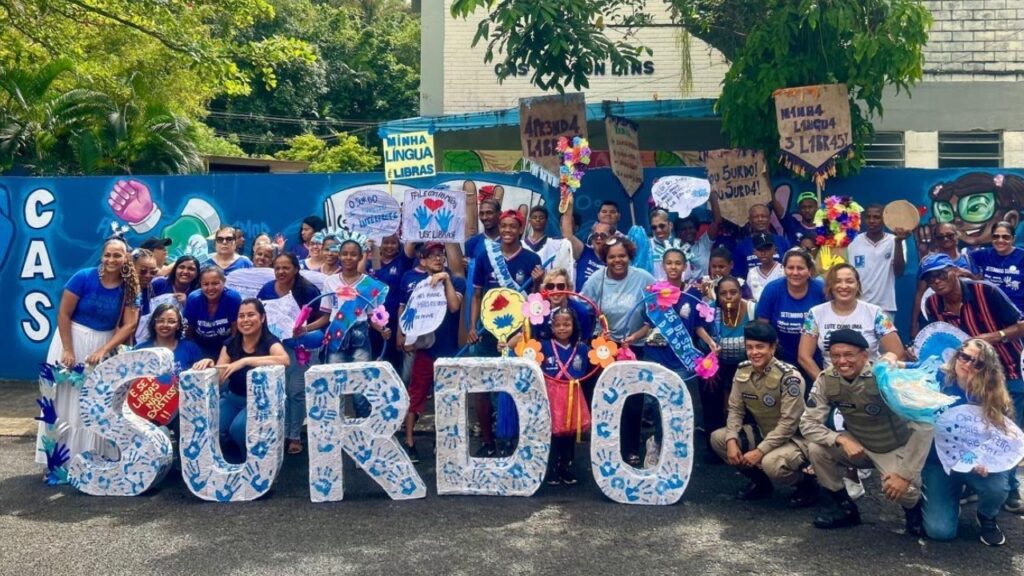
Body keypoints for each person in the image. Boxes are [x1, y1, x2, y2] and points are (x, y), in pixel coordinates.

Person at [919, 252, 1024, 512]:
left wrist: (994, 336)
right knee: (972, 428)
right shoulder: (933, 305)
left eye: (942, 273)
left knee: (1007, 429)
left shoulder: (985, 291)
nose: (937, 280)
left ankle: (1009, 489)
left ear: (955, 270)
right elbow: (939, 339)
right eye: (930, 278)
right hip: (966, 379)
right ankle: (969, 477)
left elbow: (1021, 324)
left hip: (1007, 371)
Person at [800, 329, 930, 534]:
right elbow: (807, 423)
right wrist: (840, 439)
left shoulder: (885, 377)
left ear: (865, 354)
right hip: (858, 444)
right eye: (835, 355)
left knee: (901, 490)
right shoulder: (827, 380)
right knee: (817, 449)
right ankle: (844, 509)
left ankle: (914, 512)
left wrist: (905, 476)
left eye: (849, 354)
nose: (842, 361)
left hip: (892, 446)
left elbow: (924, 425)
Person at [888, 339, 1015, 546]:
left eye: (978, 363)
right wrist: (889, 358)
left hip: (975, 461)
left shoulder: (994, 394)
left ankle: (987, 516)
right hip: (939, 461)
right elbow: (904, 367)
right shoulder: (937, 375)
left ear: (987, 368)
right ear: (957, 355)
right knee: (940, 532)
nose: (968, 365)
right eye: (965, 357)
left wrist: (988, 462)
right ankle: (951, 497)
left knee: (997, 488)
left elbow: (1002, 437)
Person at [38, 236, 141, 464]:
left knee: (91, 402)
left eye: (117, 255)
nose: (111, 259)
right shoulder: (83, 277)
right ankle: (57, 462)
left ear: (126, 257)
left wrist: (104, 349)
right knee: (64, 401)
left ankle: (90, 458)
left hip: (102, 344)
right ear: (102, 256)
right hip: (72, 338)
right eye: (108, 254)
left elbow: (130, 324)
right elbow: (63, 314)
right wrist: (68, 350)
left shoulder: (130, 287)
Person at [710, 323, 818, 506]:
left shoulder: (790, 377)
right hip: (763, 431)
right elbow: (735, 409)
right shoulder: (743, 370)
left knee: (770, 463)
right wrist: (731, 441)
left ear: (773, 347)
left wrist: (759, 452)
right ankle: (761, 484)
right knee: (718, 438)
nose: (754, 353)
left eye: (760, 347)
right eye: (749, 347)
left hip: (795, 439)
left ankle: (808, 485)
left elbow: (788, 425)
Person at [468, 210, 542, 456]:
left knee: (514, 385)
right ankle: (488, 441)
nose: (507, 230)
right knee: (482, 385)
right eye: (504, 226)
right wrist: (471, 327)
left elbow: (534, 301)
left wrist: (538, 283)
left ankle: (513, 439)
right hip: (486, 332)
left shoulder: (532, 259)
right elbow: (476, 296)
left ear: (521, 230)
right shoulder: (485, 257)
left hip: (517, 333)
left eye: (512, 226)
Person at [581, 236, 656, 466]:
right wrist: (596, 333)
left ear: (630, 256)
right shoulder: (596, 279)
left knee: (633, 400)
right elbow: (584, 311)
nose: (617, 260)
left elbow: (656, 312)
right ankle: (604, 448)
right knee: (605, 398)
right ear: (605, 258)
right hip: (603, 348)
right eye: (612, 257)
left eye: (622, 256)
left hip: (633, 346)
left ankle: (631, 449)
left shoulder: (644, 278)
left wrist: (636, 336)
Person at [193, 299, 289, 461]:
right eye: (241, 316)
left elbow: (284, 360)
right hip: (232, 398)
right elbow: (221, 376)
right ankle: (230, 465)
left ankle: (252, 468)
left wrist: (245, 361)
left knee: (238, 430)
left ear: (262, 318)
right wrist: (210, 364)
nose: (245, 320)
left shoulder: (269, 341)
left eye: (251, 315)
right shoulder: (231, 343)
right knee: (211, 425)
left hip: (259, 402)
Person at [395, 243, 465, 462]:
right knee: (416, 392)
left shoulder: (457, 280)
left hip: (448, 348)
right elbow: (406, 309)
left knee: (445, 396)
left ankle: (441, 440)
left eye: (440, 255)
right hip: (424, 347)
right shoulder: (414, 281)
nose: (437, 258)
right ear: (422, 261)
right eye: (431, 256)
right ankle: (409, 441)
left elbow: (454, 306)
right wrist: (401, 333)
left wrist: (446, 279)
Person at [257, 253, 323, 455]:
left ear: (296, 269)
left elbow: (324, 319)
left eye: (286, 268)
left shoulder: (308, 290)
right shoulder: (267, 289)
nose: (281, 272)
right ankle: (278, 432)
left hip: (300, 347)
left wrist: (305, 328)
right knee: (278, 391)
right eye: (277, 268)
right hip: (274, 346)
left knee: (295, 391)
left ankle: (294, 435)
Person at [320, 233, 391, 418]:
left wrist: (382, 329)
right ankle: (334, 433)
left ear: (360, 257)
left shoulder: (368, 284)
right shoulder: (330, 282)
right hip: (336, 335)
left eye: (353, 254)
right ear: (339, 255)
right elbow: (325, 315)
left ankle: (363, 433)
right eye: (344, 254)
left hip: (360, 335)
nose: (348, 258)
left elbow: (371, 316)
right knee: (335, 385)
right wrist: (304, 329)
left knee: (362, 387)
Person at [798, 264, 905, 382]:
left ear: (857, 285)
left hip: (870, 384)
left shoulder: (875, 313)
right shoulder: (815, 313)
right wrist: (823, 383)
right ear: (830, 286)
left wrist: (879, 381)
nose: (844, 286)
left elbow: (898, 353)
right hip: (833, 384)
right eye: (837, 281)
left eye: (849, 281)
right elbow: (804, 356)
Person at [539, 306, 592, 485]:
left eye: (566, 324)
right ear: (551, 327)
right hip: (552, 394)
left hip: (572, 394)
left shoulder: (582, 348)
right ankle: (551, 467)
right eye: (558, 325)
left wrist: (605, 345)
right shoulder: (543, 347)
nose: (562, 328)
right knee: (552, 432)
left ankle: (566, 466)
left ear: (573, 325)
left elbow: (593, 362)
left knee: (569, 432)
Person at [705, 276, 757, 458]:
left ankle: (750, 444)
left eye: (733, 292)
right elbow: (700, 334)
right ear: (717, 297)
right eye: (723, 293)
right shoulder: (711, 312)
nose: (729, 297)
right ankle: (715, 444)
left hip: (748, 366)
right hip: (719, 367)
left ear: (741, 293)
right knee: (709, 390)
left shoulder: (752, 310)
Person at [755, 249, 826, 372]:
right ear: (783, 269)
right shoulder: (772, 290)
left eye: (800, 268)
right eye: (790, 268)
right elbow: (762, 327)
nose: (795, 272)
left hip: (814, 357)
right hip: (780, 358)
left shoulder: (820, 289)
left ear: (809, 271)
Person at [910, 222, 973, 338]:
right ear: (936, 239)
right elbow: (920, 293)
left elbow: (979, 283)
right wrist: (914, 324)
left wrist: (966, 273)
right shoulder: (927, 261)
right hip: (937, 314)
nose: (945, 239)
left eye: (949, 235)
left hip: (969, 313)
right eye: (940, 236)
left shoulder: (968, 257)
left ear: (957, 235)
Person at [846, 204, 909, 315]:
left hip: (884, 308)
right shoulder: (853, 242)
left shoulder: (895, 241)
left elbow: (899, 272)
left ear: (884, 219)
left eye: (876, 217)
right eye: (868, 217)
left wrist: (898, 242)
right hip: (857, 306)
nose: (872, 220)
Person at [184, 266, 242, 360]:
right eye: (206, 284)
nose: (210, 288)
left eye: (215, 283)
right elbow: (188, 331)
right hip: (200, 346)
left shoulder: (233, 299)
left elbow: (235, 331)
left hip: (226, 346)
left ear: (224, 282)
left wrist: (230, 355)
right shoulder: (194, 299)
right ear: (201, 284)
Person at [967, 221, 1024, 312]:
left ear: (1013, 239)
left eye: (1005, 237)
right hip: (990, 311)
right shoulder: (983, 254)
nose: (1000, 240)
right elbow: (965, 258)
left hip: (1017, 311)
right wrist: (968, 273)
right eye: (996, 236)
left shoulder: (1022, 256)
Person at [562, 196, 613, 291]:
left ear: (610, 238)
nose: (598, 238)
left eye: (602, 236)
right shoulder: (584, 251)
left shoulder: (615, 258)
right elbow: (567, 235)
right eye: (595, 235)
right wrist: (568, 206)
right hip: (581, 303)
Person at [136, 303, 202, 370]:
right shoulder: (140, 350)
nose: (165, 325)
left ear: (178, 325)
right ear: (154, 324)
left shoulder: (190, 348)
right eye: (160, 321)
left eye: (171, 322)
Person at [732, 204, 789, 278]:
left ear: (769, 219)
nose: (760, 219)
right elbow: (739, 275)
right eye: (756, 217)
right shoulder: (741, 246)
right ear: (749, 220)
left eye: (764, 216)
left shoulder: (782, 242)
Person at [524, 205, 574, 284]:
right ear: (529, 221)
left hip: (548, 287)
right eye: (534, 217)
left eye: (541, 217)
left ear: (546, 221)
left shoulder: (556, 244)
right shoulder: (522, 244)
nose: (538, 220)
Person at [746, 232, 783, 301]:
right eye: (760, 249)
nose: (763, 253)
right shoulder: (752, 273)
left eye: (767, 249)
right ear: (754, 252)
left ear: (775, 250)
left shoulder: (783, 270)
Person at [133, 248, 159, 317]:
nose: (148, 275)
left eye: (153, 272)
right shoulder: (121, 290)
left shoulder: (149, 289)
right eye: (143, 271)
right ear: (132, 269)